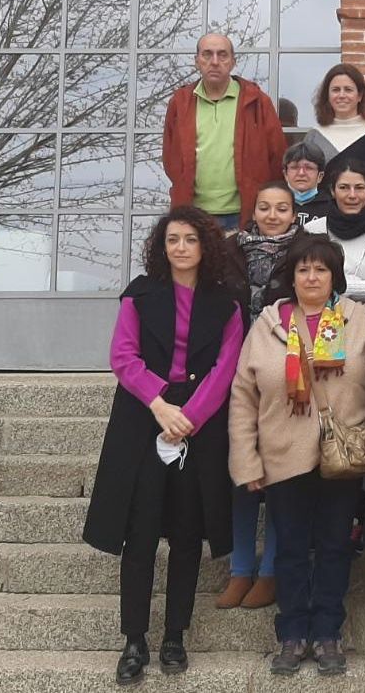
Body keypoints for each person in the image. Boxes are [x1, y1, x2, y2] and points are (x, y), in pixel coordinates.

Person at [83, 206, 244, 685]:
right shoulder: (139, 294)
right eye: (172, 240)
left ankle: (175, 635)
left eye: (190, 240)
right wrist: (160, 406)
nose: (180, 248)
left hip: (200, 420)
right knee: (140, 531)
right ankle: (134, 639)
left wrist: (189, 416)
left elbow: (226, 366)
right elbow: (123, 356)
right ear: (162, 246)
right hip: (142, 415)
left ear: (204, 246)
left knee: (188, 532)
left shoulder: (229, 302)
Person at [229, 233, 365, 676]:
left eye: (321, 269)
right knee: (291, 550)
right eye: (304, 269)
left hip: (342, 458)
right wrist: (247, 460)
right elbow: (243, 396)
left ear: (334, 275)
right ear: (292, 276)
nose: (312, 276)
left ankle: (327, 632)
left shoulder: (356, 320)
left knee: (337, 547)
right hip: (283, 456)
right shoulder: (268, 325)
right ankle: (291, 633)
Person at [216, 184, 302, 611]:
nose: (272, 215)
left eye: (281, 208)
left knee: (281, 474)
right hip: (233, 369)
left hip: (282, 370)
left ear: (293, 212)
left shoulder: (306, 251)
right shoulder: (230, 250)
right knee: (241, 472)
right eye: (265, 207)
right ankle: (240, 569)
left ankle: (270, 571)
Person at [162, 33, 287, 229]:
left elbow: (277, 155)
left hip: (244, 214)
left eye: (222, 55)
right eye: (207, 54)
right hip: (193, 213)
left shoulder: (257, 101)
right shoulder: (180, 102)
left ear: (233, 62)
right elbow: (171, 158)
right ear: (197, 61)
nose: (214, 61)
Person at [304, 160, 365, 325]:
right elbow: (303, 279)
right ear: (332, 191)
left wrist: (341, 286)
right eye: (343, 188)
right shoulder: (312, 230)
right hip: (318, 328)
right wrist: (360, 287)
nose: (352, 195)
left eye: (359, 188)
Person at [302, 63, 365, 201]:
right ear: (327, 96)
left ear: (360, 96)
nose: (341, 95)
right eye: (335, 90)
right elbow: (305, 182)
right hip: (321, 217)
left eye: (348, 90)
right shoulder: (314, 136)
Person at [283, 142, 332, 226]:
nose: (301, 173)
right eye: (294, 167)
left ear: (320, 176)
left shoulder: (332, 207)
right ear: (286, 174)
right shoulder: (275, 203)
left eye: (309, 168)